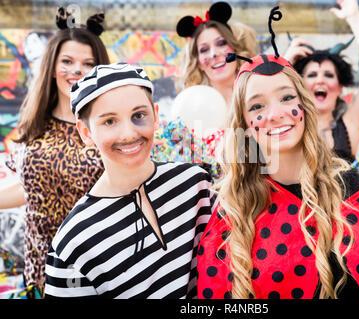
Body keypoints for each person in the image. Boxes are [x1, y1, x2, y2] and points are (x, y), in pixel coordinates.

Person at [196, 7, 359, 299]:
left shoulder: (357, 196)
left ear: (305, 107)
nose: (275, 114)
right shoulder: (232, 210)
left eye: (287, 97)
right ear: (244, 125)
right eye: (257, 106)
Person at [44, 62, 218, 299]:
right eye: (109, 121)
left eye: (138, 115)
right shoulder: (74, 241)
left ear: (155, 116)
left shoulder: (195, 184)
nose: (128, 133)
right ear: (86, 132)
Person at [0, 9, 109, 298]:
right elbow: (32, 189)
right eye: (67, 61)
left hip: (90, 269)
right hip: (38, 269)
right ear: (52, 66)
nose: (76, 71)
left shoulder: (106, 124)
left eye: (87, 64)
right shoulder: (35, 122)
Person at [284, 0, 359, 162]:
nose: (320, 80)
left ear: (339, 88)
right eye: (312, 75)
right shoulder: (281, 127)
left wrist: (354, 17)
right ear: (299, 86)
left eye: (329, 75)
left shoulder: (350, 127)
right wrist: (284, 65)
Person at [176, 1, 257, 107]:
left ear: (235, 49)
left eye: (221, 43)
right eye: (204, 50)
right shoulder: (194, 107)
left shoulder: (259, 94)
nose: (213, 54)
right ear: (198, 63)